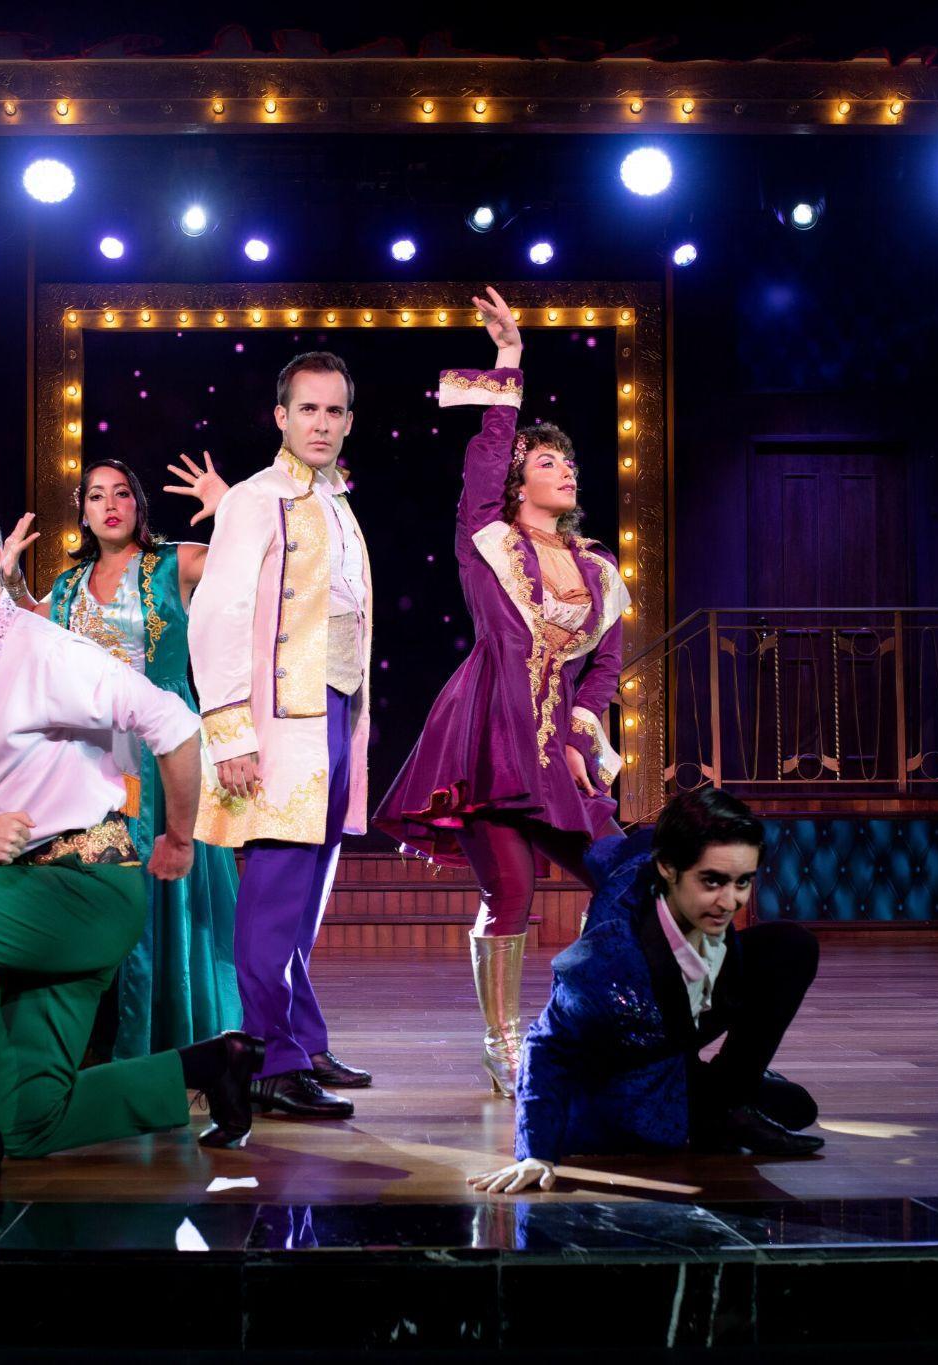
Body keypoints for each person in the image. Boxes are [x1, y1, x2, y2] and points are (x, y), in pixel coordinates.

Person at [0, 488, 263, 1183]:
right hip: (22, 900)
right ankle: (212, 1064)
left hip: (84, 889)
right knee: (30, 1124)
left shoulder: (49, 652)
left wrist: (179, 838)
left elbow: (174, 724)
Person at [374, 289, 628, 1096]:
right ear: (517, 481)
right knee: (512, 890)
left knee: (624, 874)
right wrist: (509, 358)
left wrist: (583, 732)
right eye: (548, 461)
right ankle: (504, 1042)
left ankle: (603, 1018)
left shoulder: (599, 571)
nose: (567, 469)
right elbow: (485, 457)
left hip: (558, 754)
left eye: (569, 462)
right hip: (490, 736)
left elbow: (603, 664)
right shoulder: (488, 540)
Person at [0, 455, 242, 1060]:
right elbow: (32, 625)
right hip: (94, 754)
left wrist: (230, 507)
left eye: (122, 493)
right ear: (82, 511)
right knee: (106, 881)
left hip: (163, 749)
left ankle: (184, 1043)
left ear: (138, 505)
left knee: (166, 883)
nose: (110, 504)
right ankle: (106, 1046)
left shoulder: (175, 563)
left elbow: (253, 562)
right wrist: (10, 579)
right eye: (97, 495)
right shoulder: (69, 585)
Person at [468, 787, 825, 1195]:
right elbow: (545, 1047)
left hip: (674, 1034)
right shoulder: (607, 957)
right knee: (793, 1106)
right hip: (627, 1092)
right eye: (713, 881)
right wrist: (535, 1154)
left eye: (741, 881)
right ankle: (715, 1113)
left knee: (790, 949)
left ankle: (727, 1107)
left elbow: (620, 853)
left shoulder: (684, 878)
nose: (730, 902)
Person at [186, 351, 374, 1120]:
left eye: (333, 411)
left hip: (335, 711)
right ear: (281, 416)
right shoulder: (256, 499)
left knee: (305, 896)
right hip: (278, 724)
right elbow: (218, 613)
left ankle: (303, 1038)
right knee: (273, 898)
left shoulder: (335, 501)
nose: (320, 423)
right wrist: (230, 732)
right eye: (307, 409)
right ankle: (267, 1061)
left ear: (348, 421)